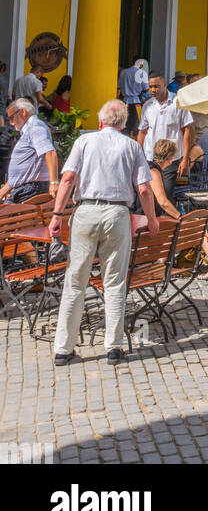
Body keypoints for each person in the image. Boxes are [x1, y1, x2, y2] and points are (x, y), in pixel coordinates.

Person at [50, 99, 158, 366]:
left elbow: (67, 179)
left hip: (85, 211)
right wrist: (152, 219)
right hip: (117, 214)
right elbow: (144, 189)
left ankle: (63, 348)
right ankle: (113, 346)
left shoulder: (84, 142)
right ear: (122, 125)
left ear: (100, 122)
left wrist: (56, 215)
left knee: (75, 281)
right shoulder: (132, 146)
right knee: (115, 282)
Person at [137, 73, 194, 196]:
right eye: (150, 87)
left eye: (156, 86)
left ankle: (165, 215)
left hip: (171, 159)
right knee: (148, 193)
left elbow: (187, 131)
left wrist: (185, 159)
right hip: (150, 157)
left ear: (164, 84)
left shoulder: (178, 103)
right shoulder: (147, 106)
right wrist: (138, 155)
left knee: (166, 192)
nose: (153, 90)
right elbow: (142, 131)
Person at [0, 98, 59, 203]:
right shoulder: (32, 129)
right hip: (27, 189)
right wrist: (2, 192)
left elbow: (50, 152)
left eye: (12, 117)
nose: (11, 122)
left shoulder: (35, 127)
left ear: (22, 112)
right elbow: (22, 174)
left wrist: (54, 183)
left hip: (30, 190)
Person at [147, 139, 181, 222]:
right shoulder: (153, 171)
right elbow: (163, 202)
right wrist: (180, 217)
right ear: (170, 157)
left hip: (146, 217)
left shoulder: (151, 168)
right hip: (143, 218)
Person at [117, 58, 148, 136]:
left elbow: (118, 87)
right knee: (137, 126)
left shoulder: (123, 72)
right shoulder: (142, 73)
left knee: (124, 125)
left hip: (124, 102)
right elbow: (146, 89)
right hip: (136, 102)